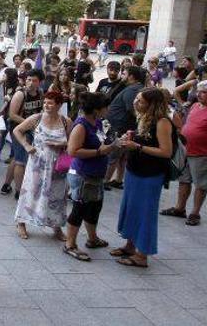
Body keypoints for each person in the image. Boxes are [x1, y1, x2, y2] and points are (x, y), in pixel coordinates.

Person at [113, 87, 174, 268]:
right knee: (131, 208)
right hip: (135, 171)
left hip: (150, 174)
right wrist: (130, 139)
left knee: (145, 212)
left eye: (140, 101)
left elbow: (166, 151)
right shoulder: (142, 117)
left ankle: (142, 254)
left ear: (151, 104)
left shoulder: (162, 122)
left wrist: (137, 146)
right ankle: (130, 245)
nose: (135, 102)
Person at [13, 90, 70, 241]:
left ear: (59, 105)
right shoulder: (36, 118)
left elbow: (72, 142)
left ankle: (56, 226)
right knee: (31, 192)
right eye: (45, 102)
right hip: (38, 163)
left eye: (50, 103)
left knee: (57, 195)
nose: (46, 105)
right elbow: (17, 130)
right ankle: (21, 222)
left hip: (58, 165)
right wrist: (26, 145)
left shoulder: (66, 121)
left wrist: (60, 143)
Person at [63, 92, 114, 261]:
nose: (108, 109)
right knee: (80, 208)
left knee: (94, 207)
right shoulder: (81, 125)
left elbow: (102, 141)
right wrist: (100, 151)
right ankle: (70, 244)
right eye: (105, 107)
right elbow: (73, 151)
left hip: (96, 175)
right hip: (83, 175)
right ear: (96, 110)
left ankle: (92, 238)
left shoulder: (97, 122)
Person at [161, 80, 207, 226]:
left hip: (201, 153)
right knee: (184, 180)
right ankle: (180, 208)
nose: (199, 94)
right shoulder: (194, 106)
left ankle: (195, 213)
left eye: (204, 92)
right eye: (199, 91)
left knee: (200, 184)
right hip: (187, 150)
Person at [106, 66, 147, 189]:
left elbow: (132, 109)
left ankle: (105, 180)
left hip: (121, 126)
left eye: (124, 74)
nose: (121, 76)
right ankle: (118, 180)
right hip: (123, 125)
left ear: (131, 76)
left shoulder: (133, 90)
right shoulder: (134, 88)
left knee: (114, 154)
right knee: (122, 155)